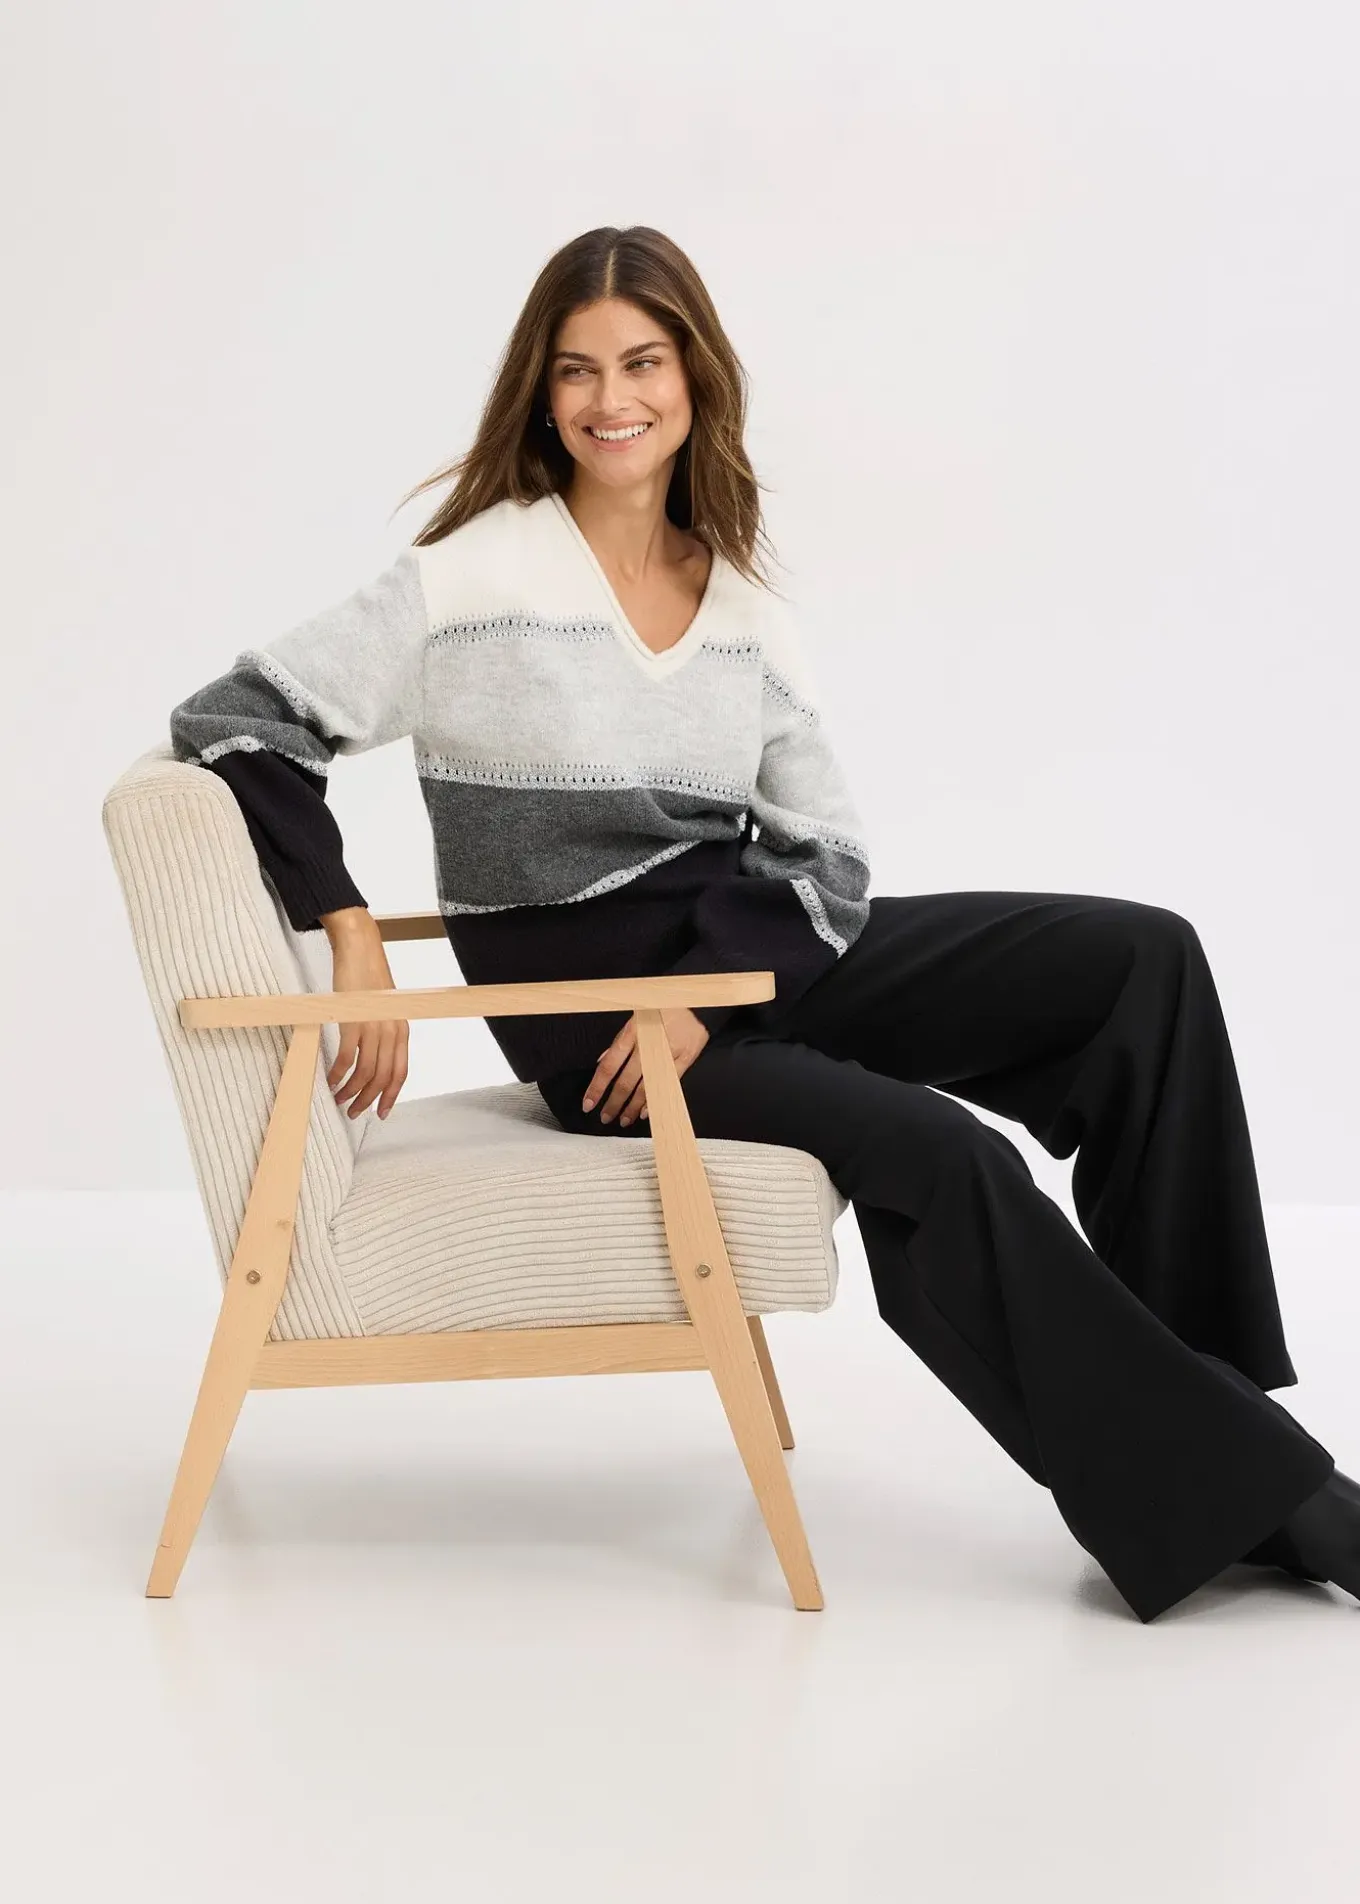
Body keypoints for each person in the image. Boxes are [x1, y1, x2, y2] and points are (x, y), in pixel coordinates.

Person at [167, 223, 1360, 1625]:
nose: (612, 398)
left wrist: (708, 993)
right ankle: (1273, 1501)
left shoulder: (730, 593)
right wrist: (349, 922)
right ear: (541, 395)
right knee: (947, 1156)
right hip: (601, 1033)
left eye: (643, 363)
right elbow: (236, 721)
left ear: (694, 379)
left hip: (735, 964)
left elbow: (824, 854)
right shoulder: (471, 578)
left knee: (1138, 960)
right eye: (577, 370)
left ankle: (1220, 1415)